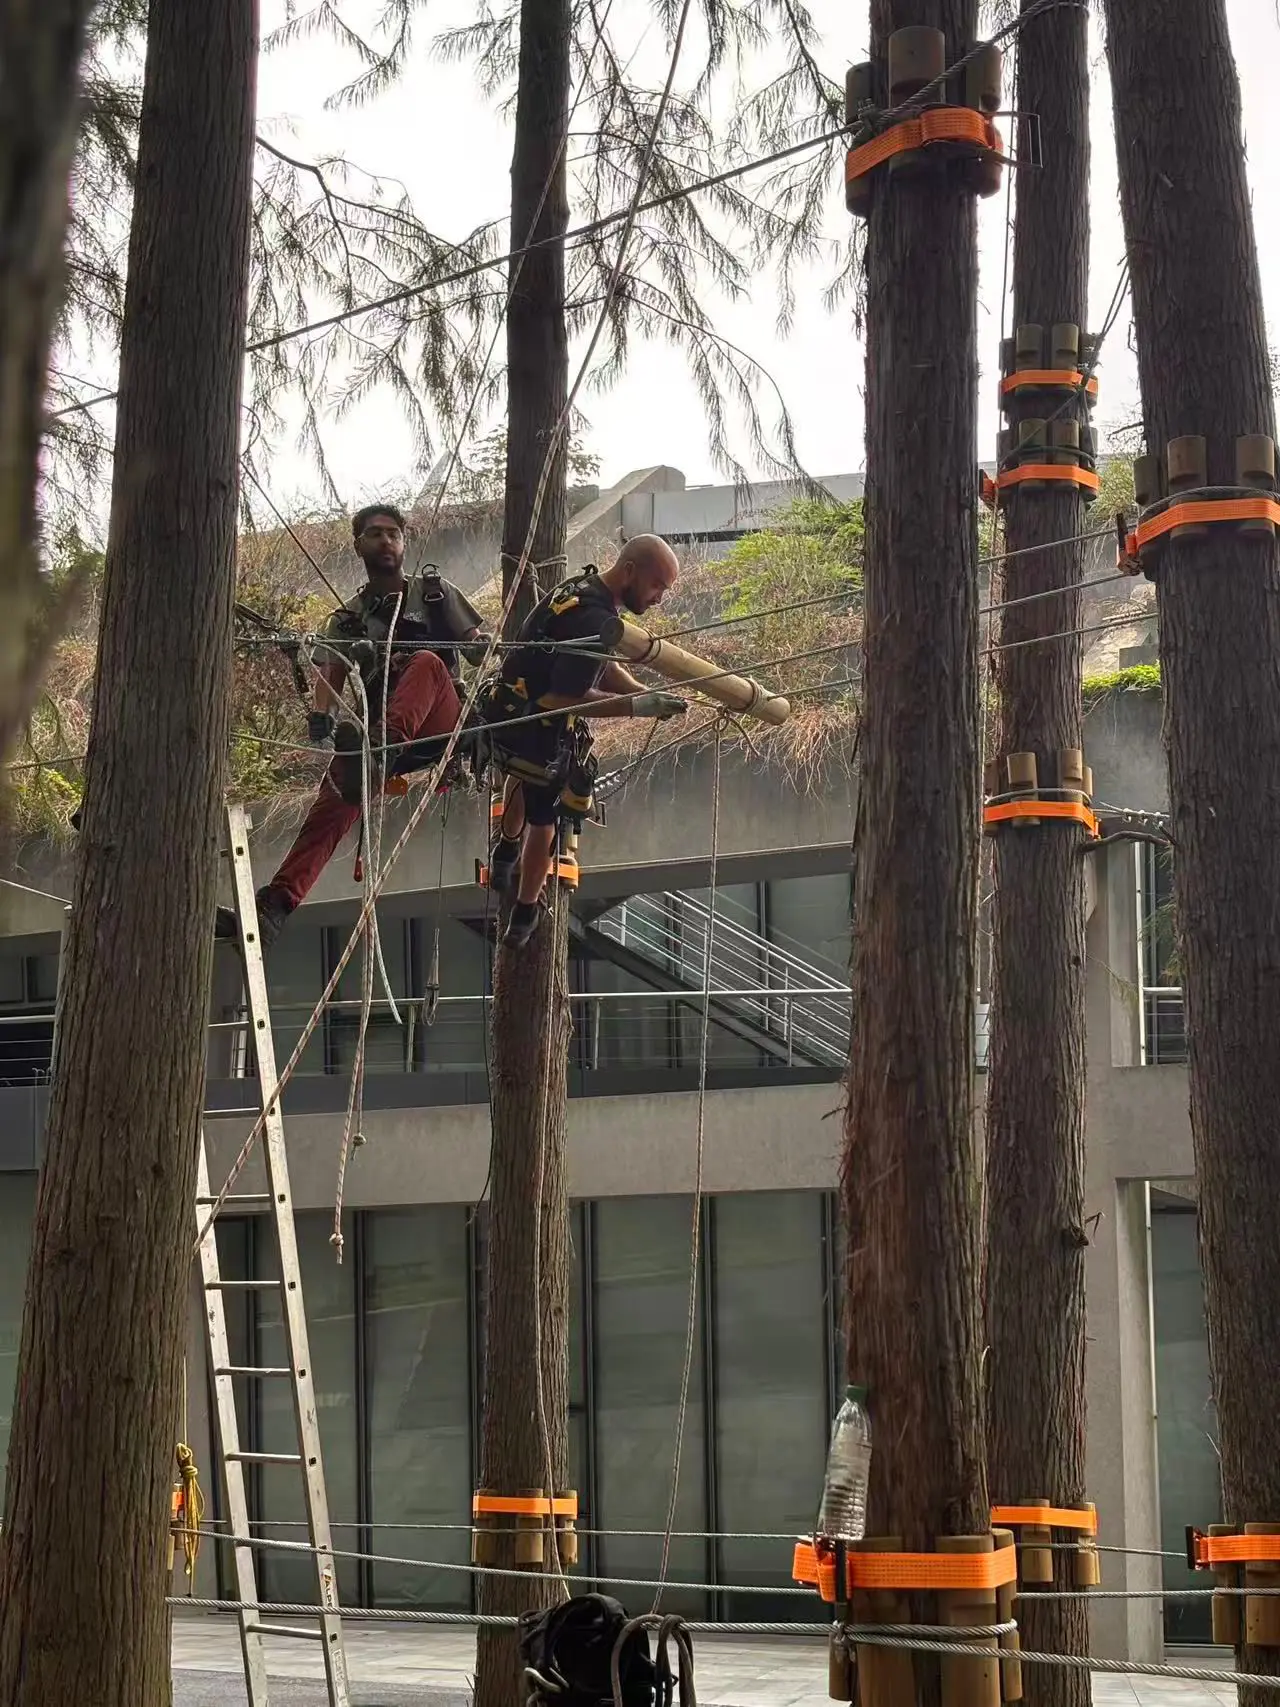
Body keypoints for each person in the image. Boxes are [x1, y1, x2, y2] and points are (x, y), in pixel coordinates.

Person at [217, 503, 485, 949]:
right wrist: (321, 719)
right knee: (333, 804)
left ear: (404, 543)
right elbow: (329, 674)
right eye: (376, 533)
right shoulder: (346, 620)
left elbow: (475, 645)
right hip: (386, 735)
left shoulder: (434, 594)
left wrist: (485, 646)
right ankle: (276, 907)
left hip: (440, 725)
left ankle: (374, 757)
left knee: (426, 663)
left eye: (393, 534)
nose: (386, 541)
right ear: (358, 544)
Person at [483, 534, 686, 948]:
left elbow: (599, 667)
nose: (659, 598)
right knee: (546, 822)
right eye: (657, 586)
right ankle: (524, 911)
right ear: (630, 570)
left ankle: (505, 849)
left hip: (506, 707)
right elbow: (562, 698)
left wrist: (637, 693)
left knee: (516, 778)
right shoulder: (594, 623)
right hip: (536, 722)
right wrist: (636, 708)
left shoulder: (582, 589)